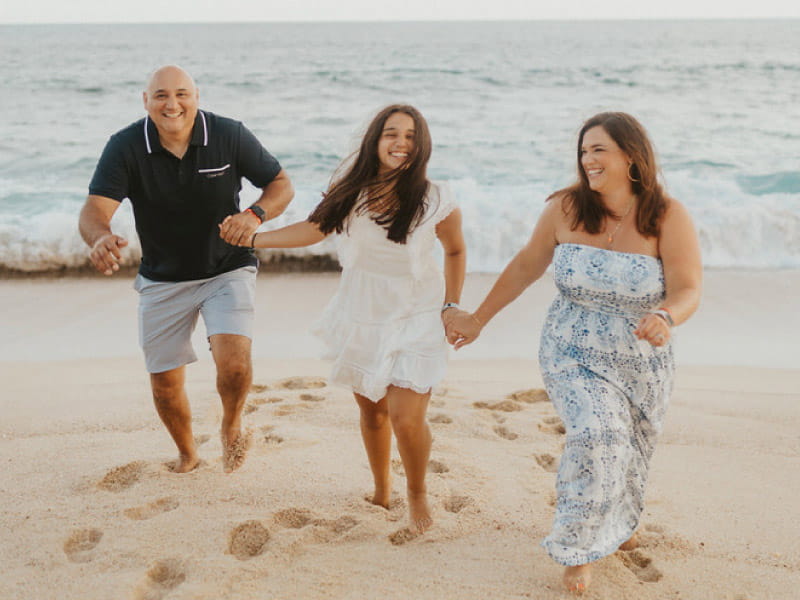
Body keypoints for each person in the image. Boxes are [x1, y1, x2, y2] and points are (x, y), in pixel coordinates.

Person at [445, 112, 702, 593]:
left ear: (631, 155)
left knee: (630, 449)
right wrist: (478, 318)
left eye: (599, 149)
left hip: (642, 356)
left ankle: (619, 521)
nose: (588, 159)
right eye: (584, 151)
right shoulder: (564, 208)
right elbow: (526, 266)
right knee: (596, 434)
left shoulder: (667, 215)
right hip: (571, 347)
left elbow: (689, 288)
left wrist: (666, 317)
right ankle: (579, 547)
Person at [223, 105, 466, 533]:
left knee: (407, 417)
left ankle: (416, 494)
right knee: (372, 413)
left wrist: (451, 305)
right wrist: (253, 237)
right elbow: (312, 229)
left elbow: (456, 251)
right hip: (363, 313)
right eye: (392, 134)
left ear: (421, 145)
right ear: (375, 141)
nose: (401, 143)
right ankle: (381, 489)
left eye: (410, 137)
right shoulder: (352, 192)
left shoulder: (436, 200)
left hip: (418, 314)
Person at [79, 65, 294, 474]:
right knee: (164, 382)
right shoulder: (125, 146)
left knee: (233, 363)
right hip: (162, 277)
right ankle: (188, 453)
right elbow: (95, 210)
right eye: (160, 95)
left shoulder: (228, 134)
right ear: (145, 101)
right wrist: (99, 239)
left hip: (227, 267)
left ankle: (231, 423)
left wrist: (254, 216)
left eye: (182, 94)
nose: (172, 103)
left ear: (197, 97)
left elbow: (281, 184)